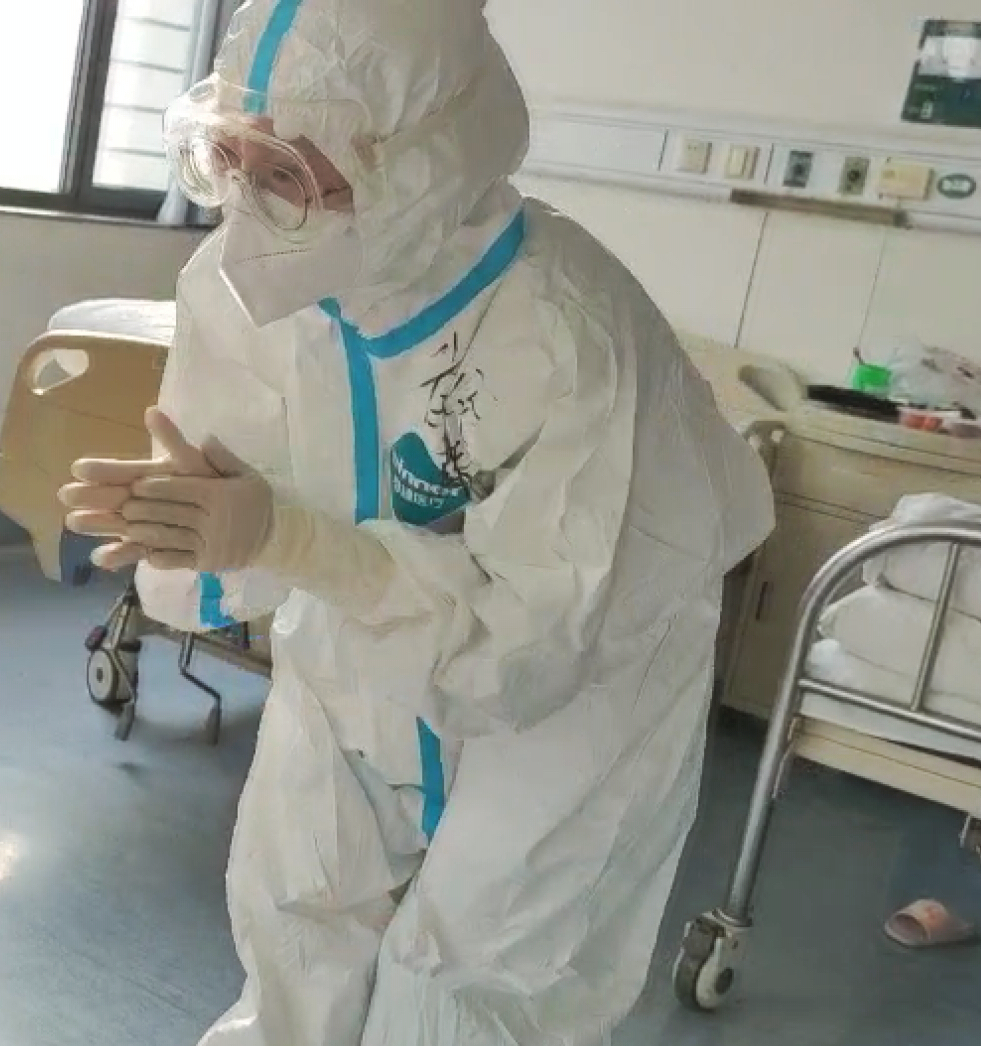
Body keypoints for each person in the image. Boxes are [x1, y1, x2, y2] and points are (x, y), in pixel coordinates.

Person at [59, 0, 776, 1043]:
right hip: (352, 609)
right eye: (228, 158)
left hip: (598, 648)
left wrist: (291, 540)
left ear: (416, 160)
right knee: (299, 894)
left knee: (477, 969)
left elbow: (528, 646)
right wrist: (198, 526)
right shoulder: (246, 282)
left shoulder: (564, 328)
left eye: (287, 172)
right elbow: (233, 497)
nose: (250, 214)